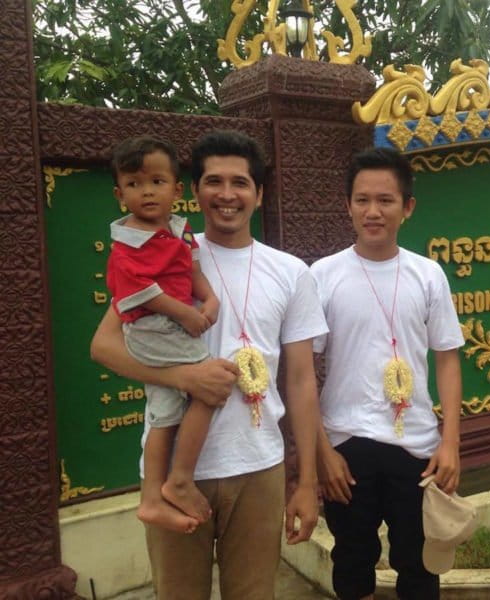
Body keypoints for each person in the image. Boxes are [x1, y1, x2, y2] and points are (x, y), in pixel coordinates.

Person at [91, 129, 327, 599]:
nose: (226, 194)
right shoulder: (163, 252)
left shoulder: (291, 272)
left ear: (259, 194)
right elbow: (104, 346)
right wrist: (183, 377)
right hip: (176, 470)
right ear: (193, 191)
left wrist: (307, 481)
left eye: (240, 182)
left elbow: (301, 380)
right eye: (213, 181)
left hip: (259, 467)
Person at [311, 147, 465, 600]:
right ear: (348, 205)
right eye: (362, 200)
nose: (372, 212)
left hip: (417, 449)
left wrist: (450, 441)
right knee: (352, 562)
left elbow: (448, 359)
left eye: (385, 200)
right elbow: (303, 372)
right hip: (346, 448)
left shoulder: (428, 275)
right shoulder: (322, 276)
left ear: (408, 207)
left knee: (420, 567)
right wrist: (321, 452)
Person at [106, 135, 219, 535]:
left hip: (173, 322)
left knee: (165, 411)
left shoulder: (178, 229)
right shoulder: (126, 244)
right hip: (154, 327)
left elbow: (193, 271)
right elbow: (141, 293)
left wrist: (209, 300)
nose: (147, 192)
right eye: (135, 184)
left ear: (176, 188)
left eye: (156, 181)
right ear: (121, 194)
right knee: (213, 386)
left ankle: (153, 497)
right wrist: (187, 315)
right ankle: (180, 478)